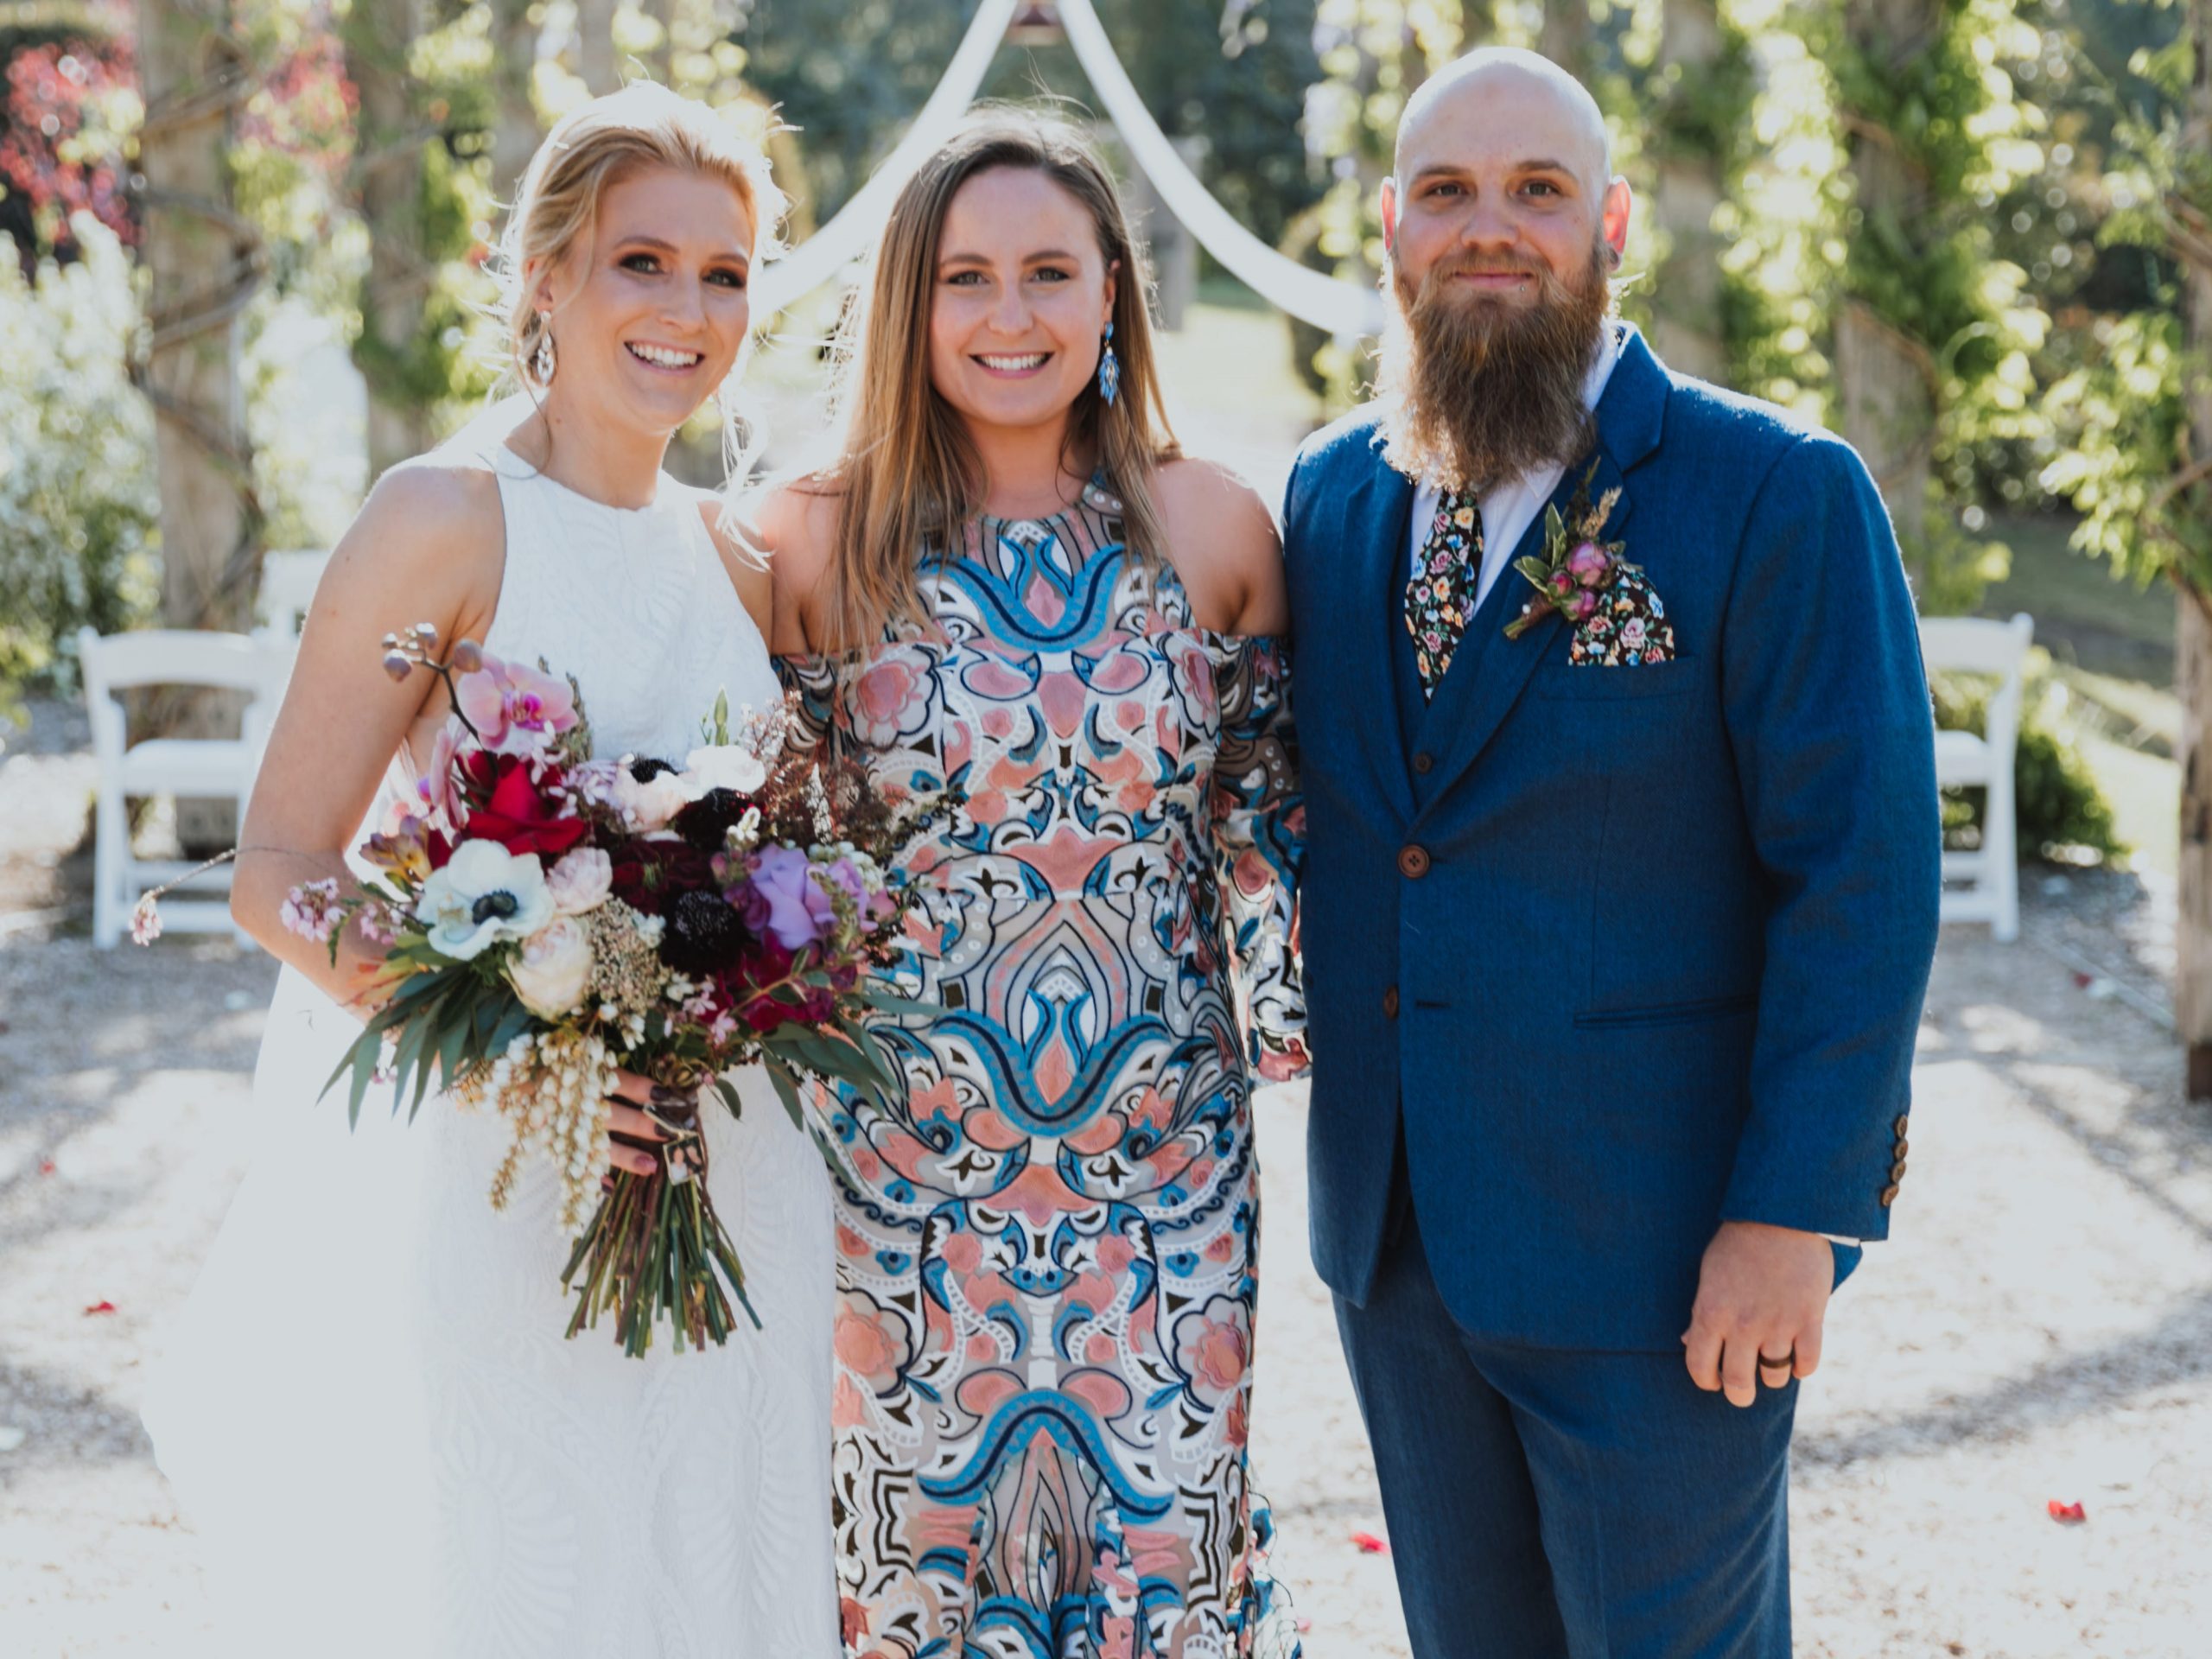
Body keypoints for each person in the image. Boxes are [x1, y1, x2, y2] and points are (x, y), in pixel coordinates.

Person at [141, 85, 841, 1657]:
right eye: (639, 262)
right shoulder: (441, 526)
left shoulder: (740, 558)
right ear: (545, 276)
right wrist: (539, 1057)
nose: (685, 310)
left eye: (724, 274)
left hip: (743, 1185)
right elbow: (279, 869)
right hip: (518, 1181)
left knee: (725, 1576)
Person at [1280, 48, 1940, 1657]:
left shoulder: (1775, 493)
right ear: (1390, 232)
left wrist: (1798, 1217)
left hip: (1667, 1271)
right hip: (1400, 1250)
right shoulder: (1332, 497)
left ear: (1613, 221)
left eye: (1537, 192)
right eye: (1446, 192)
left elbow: (1860, 881)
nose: (1488, 228)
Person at [751, 108, 1306, 1659]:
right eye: (968, 278)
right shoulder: (808, 543)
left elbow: (1292, 838)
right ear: (908, 306)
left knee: (1163, 1571)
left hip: (1166, 1173)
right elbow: (742, 875)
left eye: (1050, 273)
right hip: (896, 1176)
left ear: (1113, 295)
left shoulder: (1219, 531)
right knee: (913, 1584)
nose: (1011, 317)